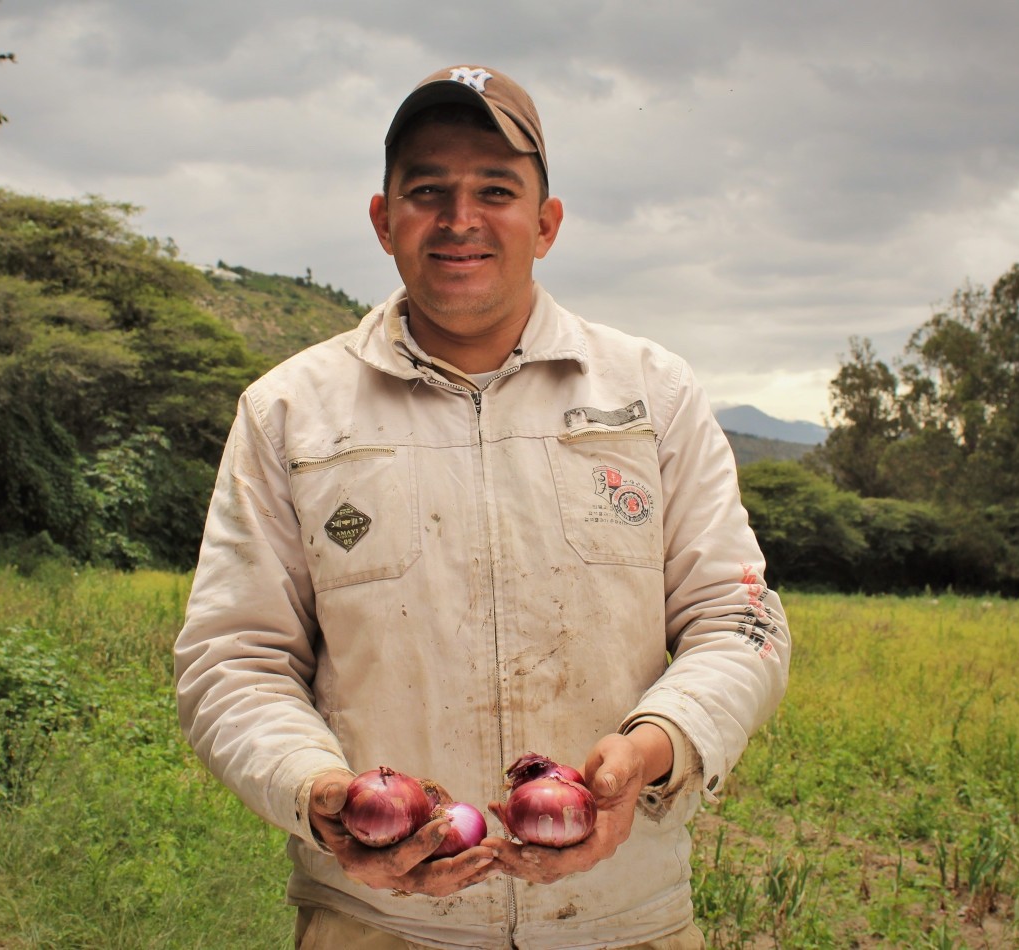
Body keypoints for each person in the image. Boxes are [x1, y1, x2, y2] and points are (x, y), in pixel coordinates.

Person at [175, 64, 791, 950]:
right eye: (428, 191)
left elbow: (740, 622)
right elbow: (232, 657)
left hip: (625, 921)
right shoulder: (288, 413)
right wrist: (317, 790)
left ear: (546, 224)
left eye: (495, 190)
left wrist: (655, 745)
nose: (460, 219)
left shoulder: (653, 393)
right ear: (385, 221)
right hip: (378, 924)